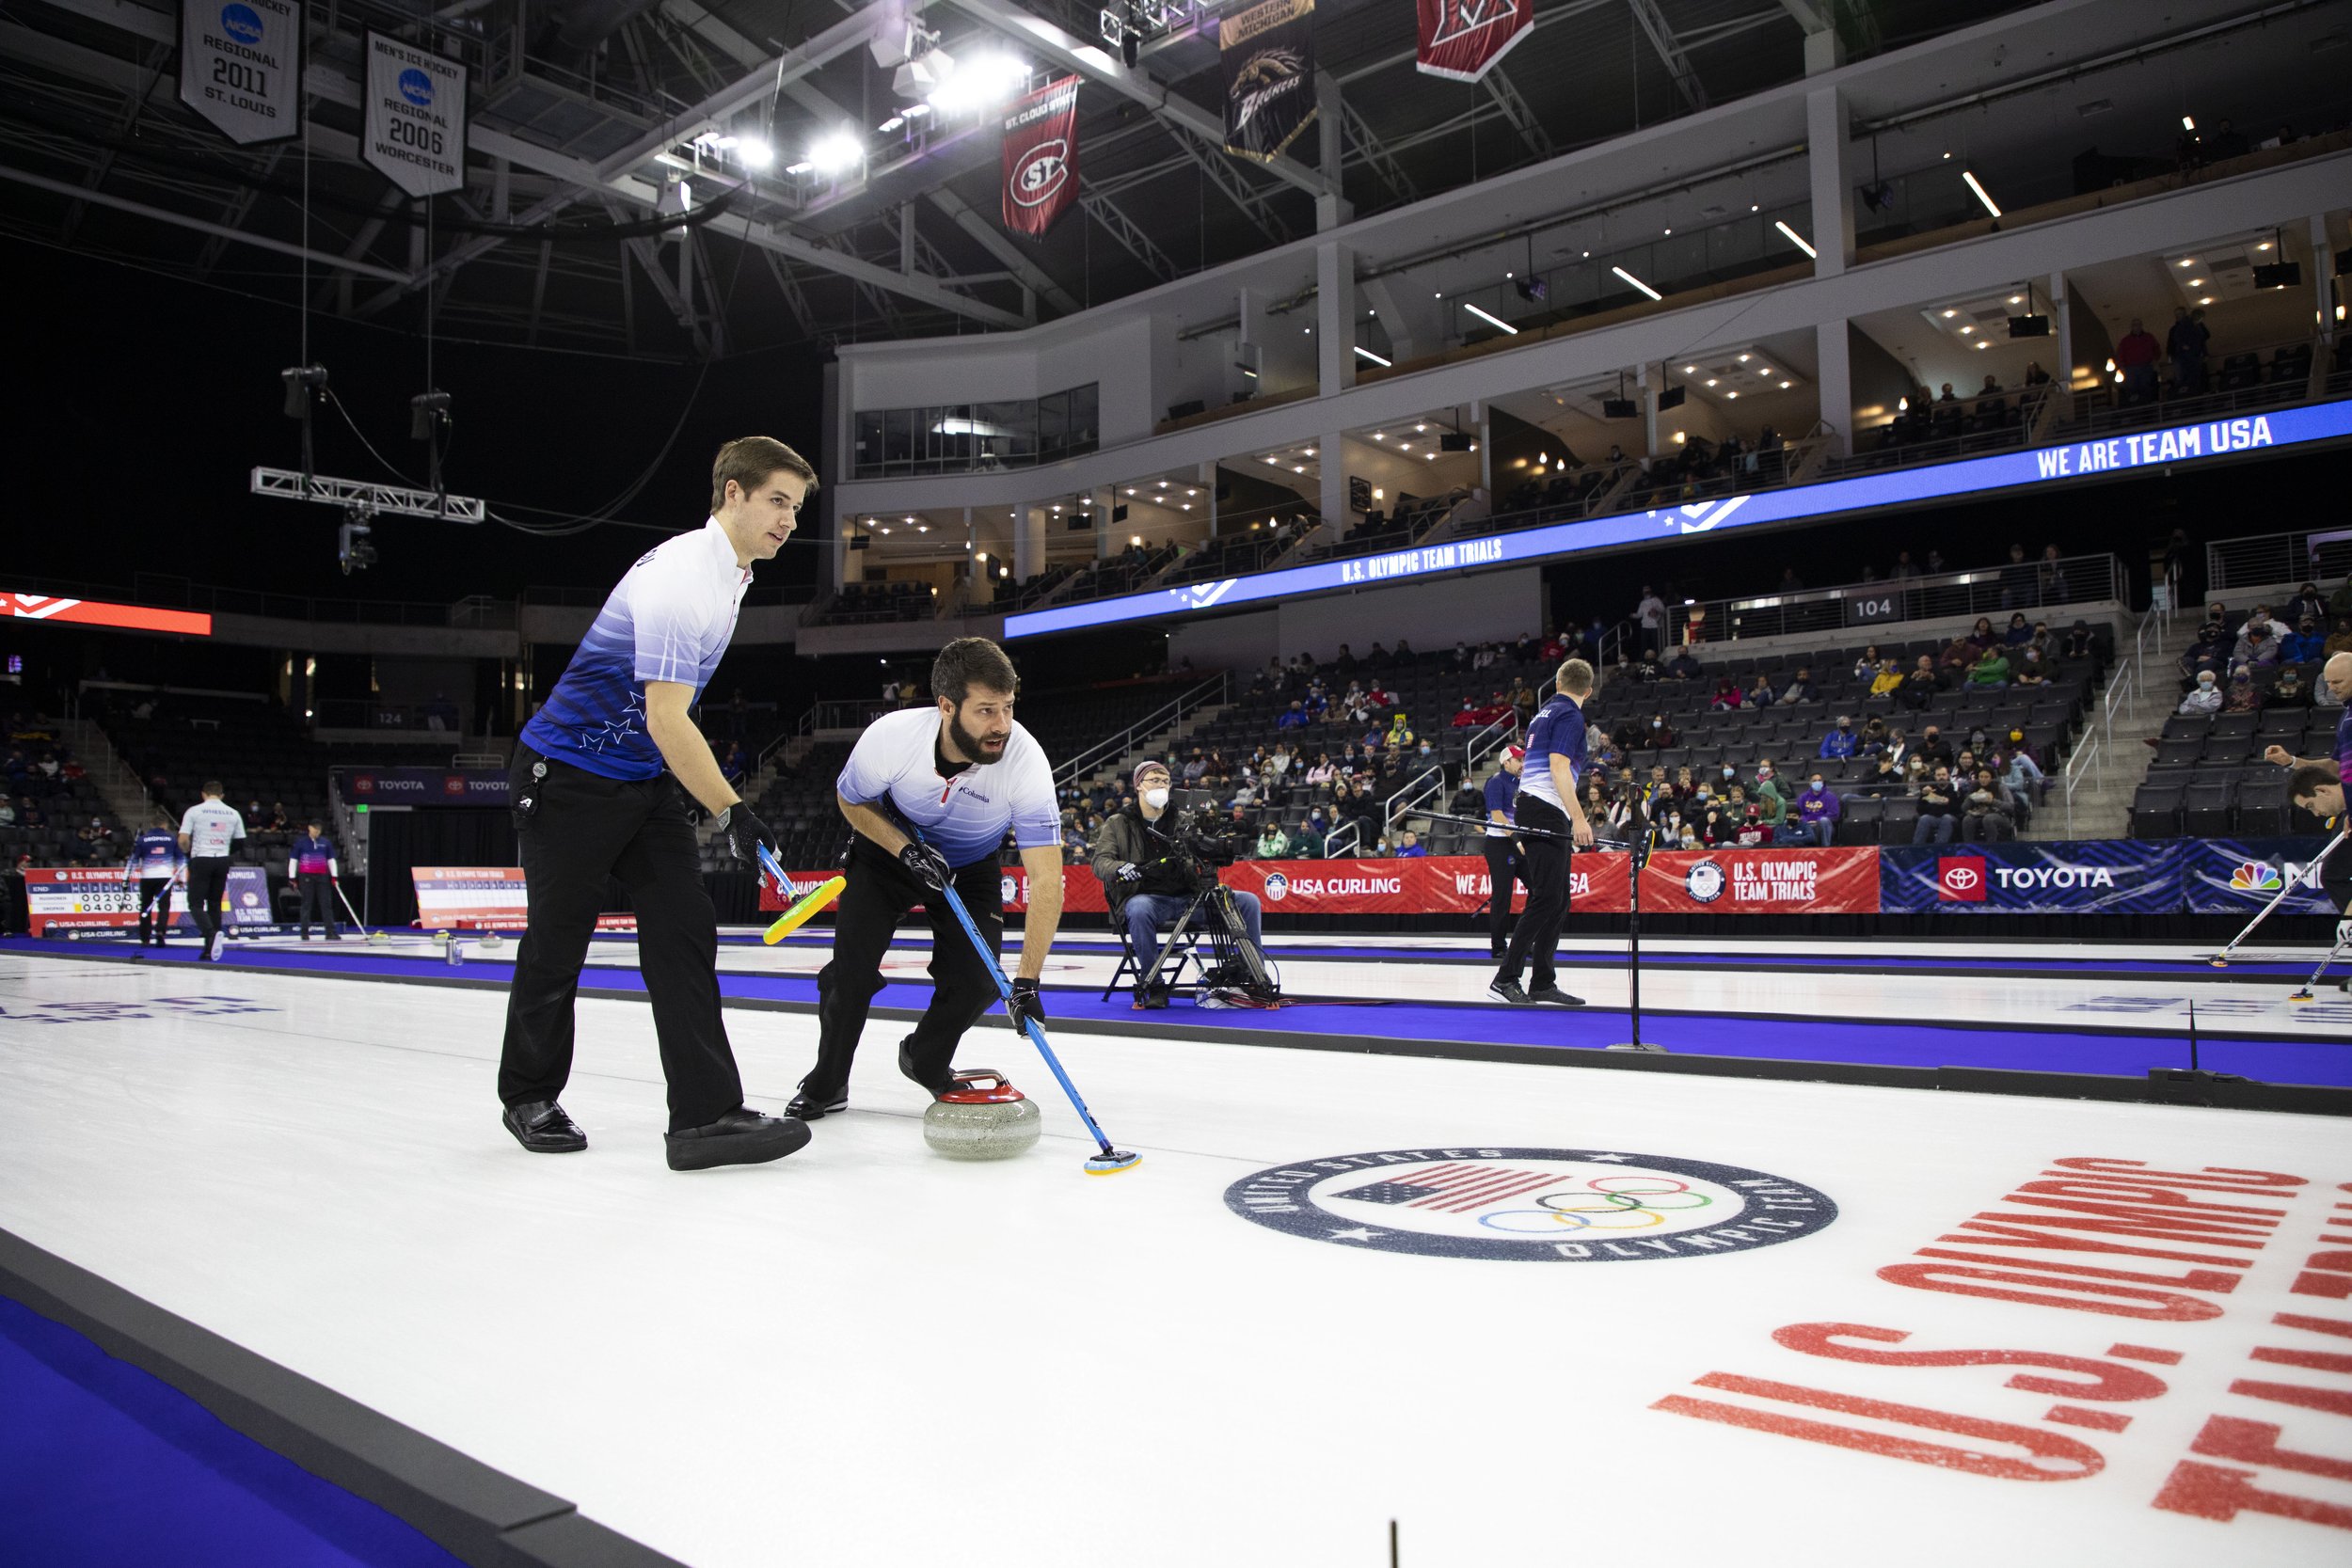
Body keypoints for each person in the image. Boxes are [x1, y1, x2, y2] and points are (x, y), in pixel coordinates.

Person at [500, 436, 816, 1172]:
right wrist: (733, 809)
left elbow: (667, 722)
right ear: (732, 493)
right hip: (567, 774)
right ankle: (528, 1093)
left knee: (683, 929)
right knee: (558, 938)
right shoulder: (682, 577)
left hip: (640, 782)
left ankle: (703, 1116)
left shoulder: (731, 576)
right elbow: (667, 717)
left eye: (796, 509)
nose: (790, 521)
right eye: (777, 501)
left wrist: (719, 802)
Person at [1091, 759, 1263, 1008]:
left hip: (1190, 899)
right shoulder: (1118, 822)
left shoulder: (1183, 819)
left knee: (1248, 901)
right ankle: (1154, 984)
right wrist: (1121, 868)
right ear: (1139, 785)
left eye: (1165, 781)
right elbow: (1099, 862)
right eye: (1155, 780)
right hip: (1147, 899)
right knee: (1138, 909)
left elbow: (1203, 853)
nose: (1161, 785)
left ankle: (1254, 975)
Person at [1491, 658, 1594, 1007]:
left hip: (1536, 806)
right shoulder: (1571, 715)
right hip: (1548, 808)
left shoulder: (1543, 713)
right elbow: (1559, 766)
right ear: (1588, 691)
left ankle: (1543, 982)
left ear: (1558, 682)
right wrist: (1579, 818)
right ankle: (1506, 977)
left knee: (1557, 899)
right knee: (1546, 898)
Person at [176, 781, 245, 961]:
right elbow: (240, 841)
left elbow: (183, 839)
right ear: (222, 795)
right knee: (215, 903)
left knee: (196, 903)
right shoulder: (233, 813)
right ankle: (209, 949)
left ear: (203, 794)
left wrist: (187, 851)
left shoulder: (195, 811)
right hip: (222, 860)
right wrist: (225, 850)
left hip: (202, 858)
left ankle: (210, 933)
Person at [1483, 745, 1525, 960]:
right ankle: (1498, 945)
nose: (1521, 764)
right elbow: (1497, 814)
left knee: (1538, 887)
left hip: (1519, 842)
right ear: (1506, 762)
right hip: (1501, 844)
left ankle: (1525, 940)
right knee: (1502, 896)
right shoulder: (1496, 782)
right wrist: (1516, 838)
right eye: (1518, 760)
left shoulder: (1521, 783)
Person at [122, 811, 180, 948]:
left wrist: (126, 878)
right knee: (164, 906)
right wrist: (182, 878)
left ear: (152, 824)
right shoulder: (171, 838)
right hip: (165, 876)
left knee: (145, 906)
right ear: (165, 825)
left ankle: (145, 937)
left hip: (147, 877)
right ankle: (160, 932)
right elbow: (181, 859)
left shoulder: (143, 839)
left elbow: (133, 860)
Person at [292, 820, 342, 941]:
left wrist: (334, 876)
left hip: (322, 877)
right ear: (309, 828)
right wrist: (292, 878)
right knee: (306, 904)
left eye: (319, 830)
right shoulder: (301, 843)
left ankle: (330, 932)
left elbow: (331, 860)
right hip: (306, 876)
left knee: (326, 904)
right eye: (315, 830)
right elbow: (293, 860)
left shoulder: (325, 843)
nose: (316, 832)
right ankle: (304, 932)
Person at [1911, 767, 1961, 845]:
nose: (1941, 777)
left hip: (1950, 818)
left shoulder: (1954, 790)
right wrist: (1923, 795)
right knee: (1924, 818)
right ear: (1935, 777)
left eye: (1943, 775)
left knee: (1946, 818)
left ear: (1948, 776)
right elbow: (1920, 809)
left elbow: (1956, 809)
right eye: (1939, 775)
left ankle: (1938, 848)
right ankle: (1916, 848)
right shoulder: (1929, 790)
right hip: (1933, 817)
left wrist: (1936, 804)